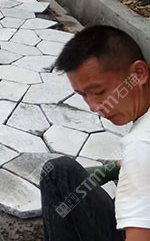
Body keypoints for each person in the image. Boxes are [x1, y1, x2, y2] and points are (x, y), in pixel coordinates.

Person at [40, 25, 150, 241]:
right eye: (83, 95)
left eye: (99, 91)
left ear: (138, 74)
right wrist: (112, 169)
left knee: (57, 174)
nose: (94, 106)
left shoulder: (141, 145)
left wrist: (133, 166)